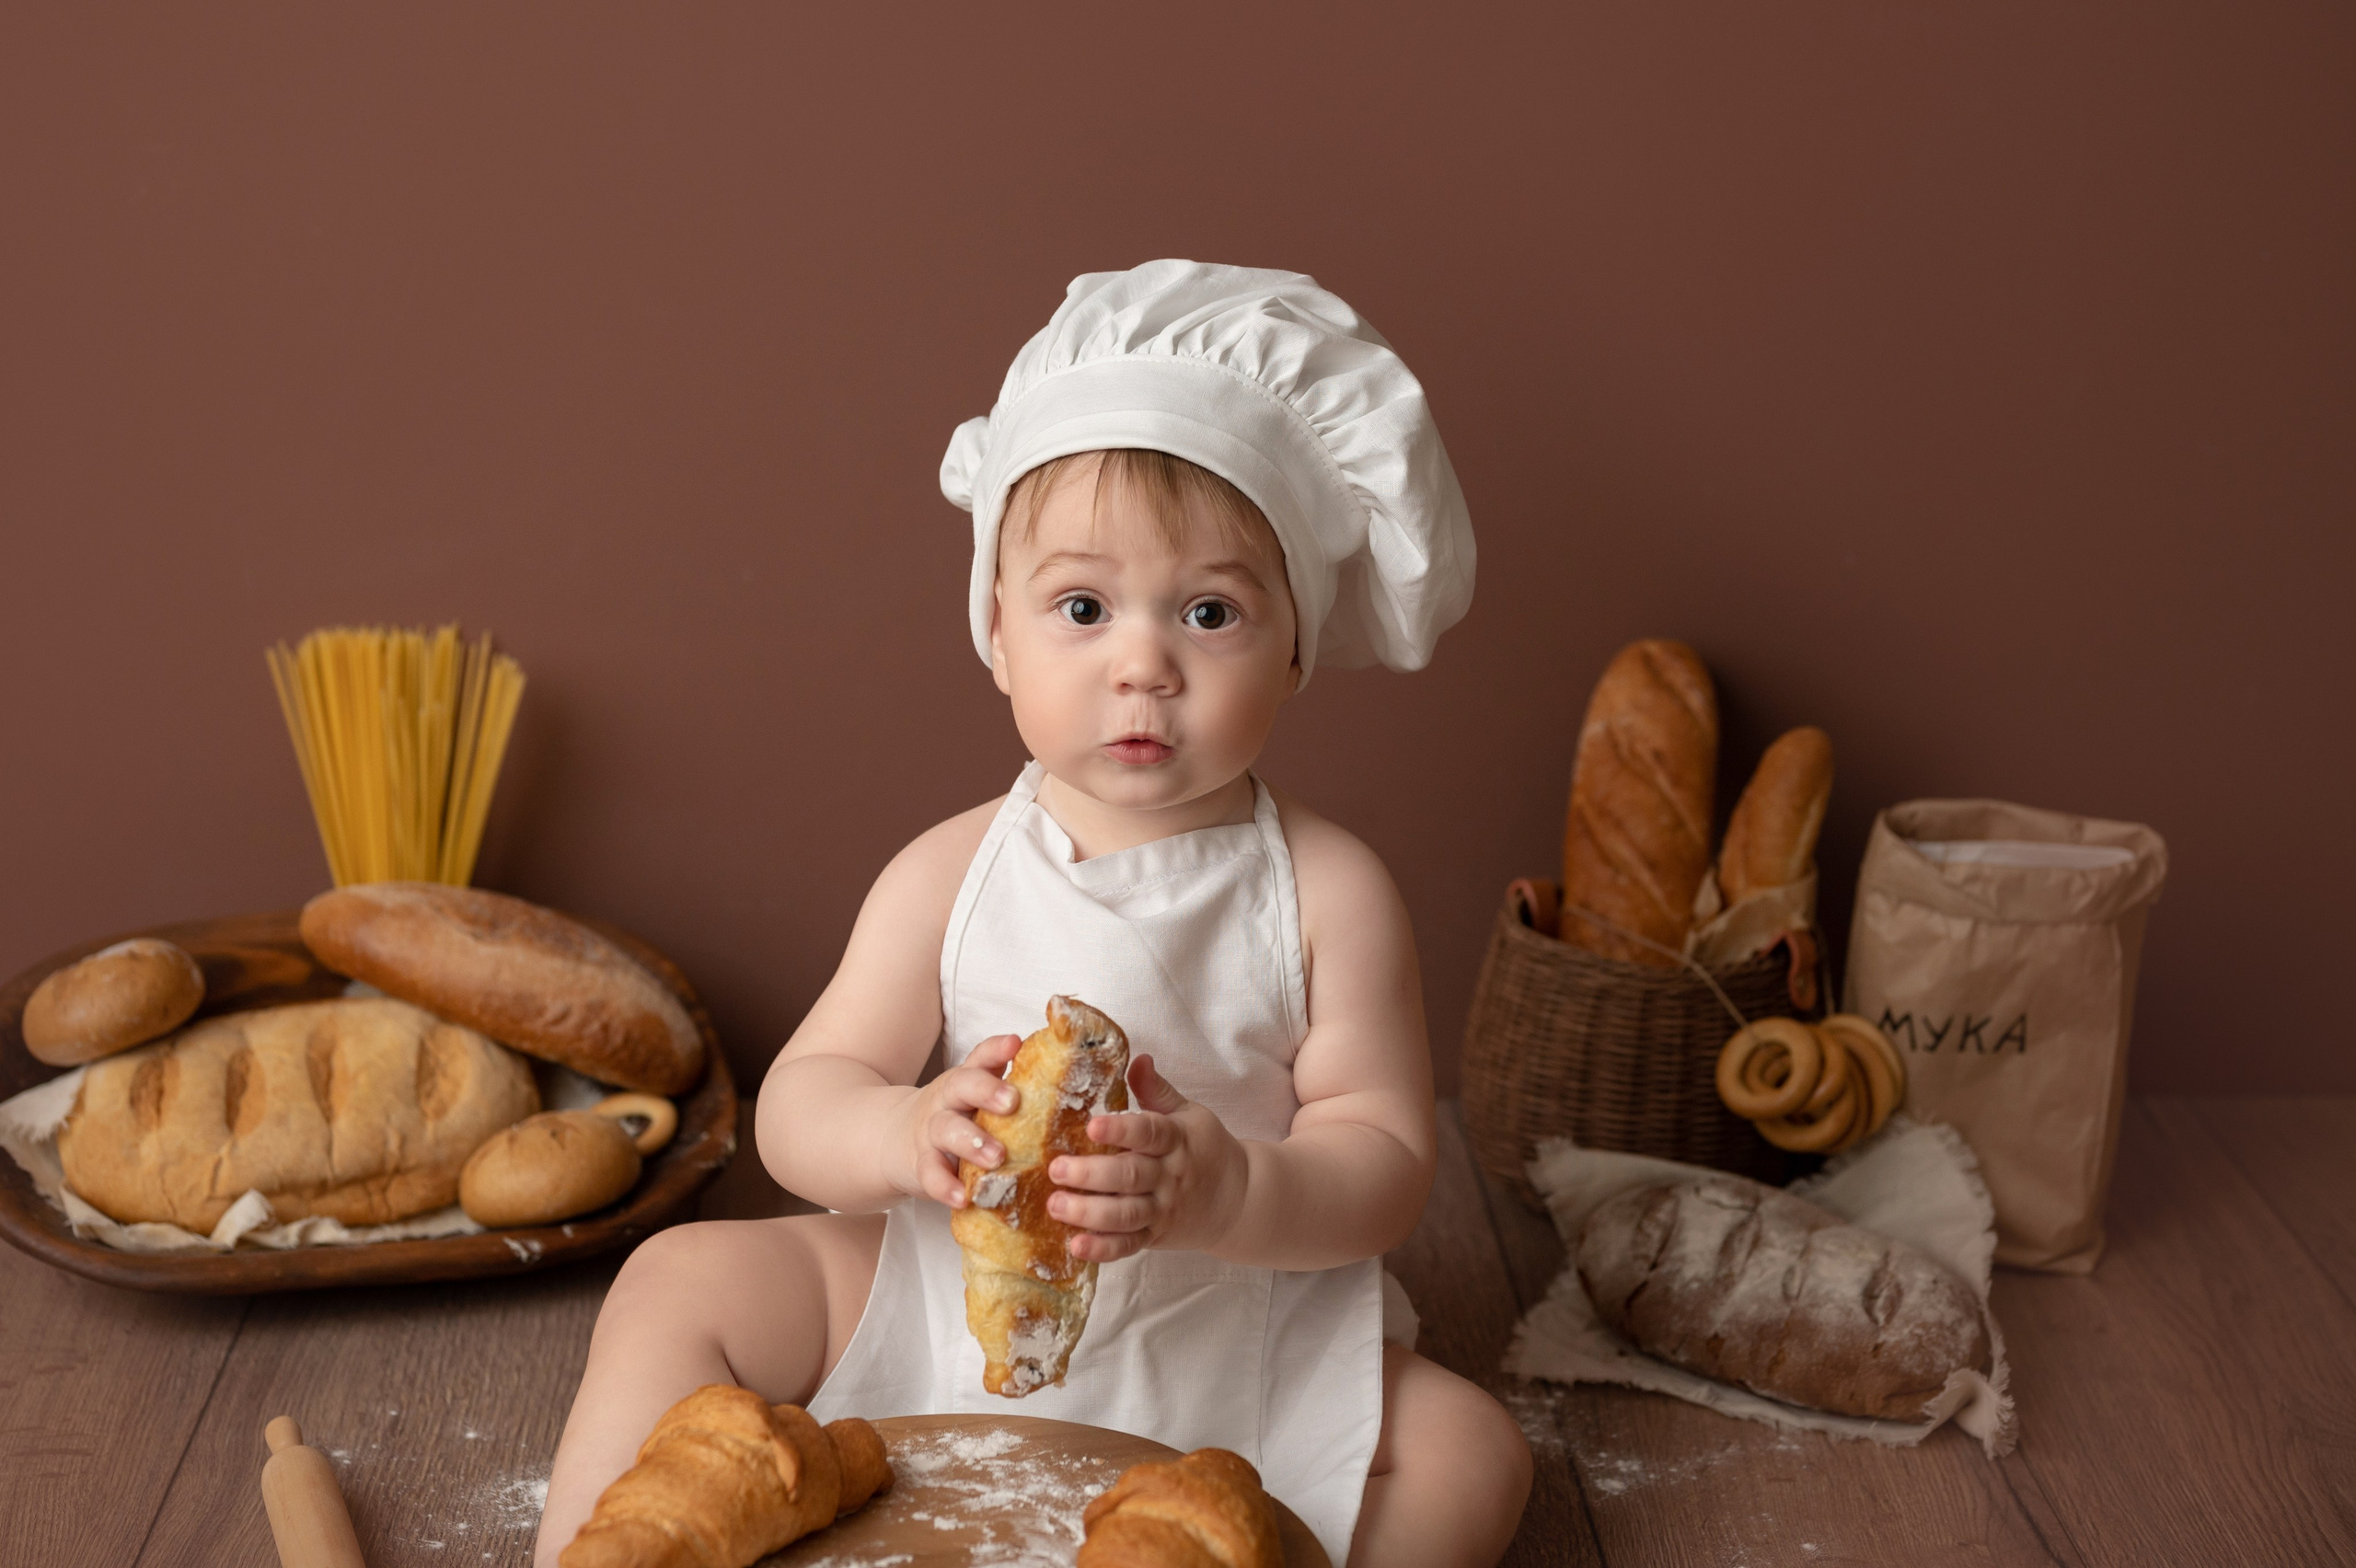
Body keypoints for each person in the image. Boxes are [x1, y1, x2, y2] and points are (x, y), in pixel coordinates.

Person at [536, 260, 1531, 1568]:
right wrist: (903, 1130)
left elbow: (1385, 1164)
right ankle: (599, 1555)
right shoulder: (951, 872)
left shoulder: (1328, 892)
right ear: (998, 634)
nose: (1143, 664)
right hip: (945, 1306)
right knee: (677, 1279)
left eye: (1211, 612)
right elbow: (800, 1102)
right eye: (1082, 608)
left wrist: (1230, 1186)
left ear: (1295, 645)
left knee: (1474, 1451)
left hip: (1231, 1329)